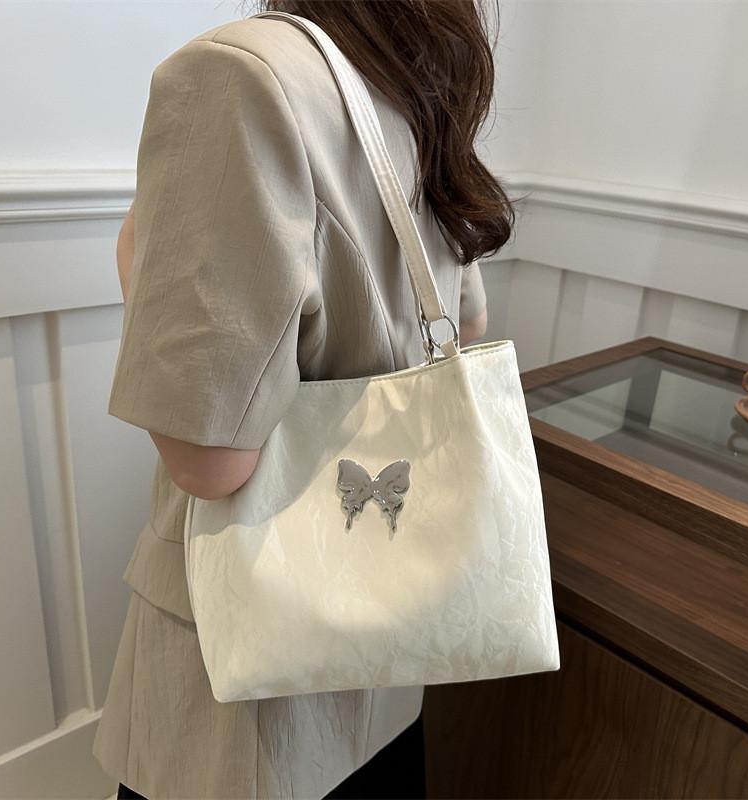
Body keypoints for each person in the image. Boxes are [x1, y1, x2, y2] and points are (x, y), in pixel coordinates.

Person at [93, 1, 517, 797]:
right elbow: (464, 329)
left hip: (249, 700)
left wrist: (132, 261)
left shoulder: (237, 73)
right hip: (389, 658)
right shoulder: (413, 91)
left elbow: (209, 462)